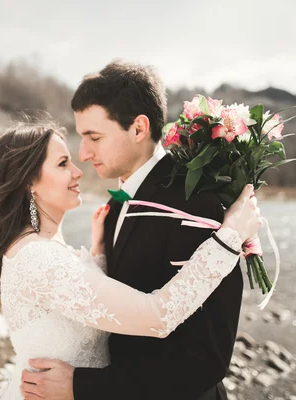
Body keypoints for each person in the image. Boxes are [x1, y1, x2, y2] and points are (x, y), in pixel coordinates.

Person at [0, 118, 260, 400]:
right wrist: (228, 239)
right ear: (30, 183)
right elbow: (157, 317)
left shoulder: (43, 250)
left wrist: (99, 253)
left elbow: (78, 301)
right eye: (64, 163)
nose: (78, 170)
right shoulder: (37, 259)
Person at [21, 60, 254, 400]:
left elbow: (206, 360)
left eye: (94, 137)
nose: (83, 154)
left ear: (139, 128)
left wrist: (83, 386)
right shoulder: (115, 205)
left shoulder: (194, 202)